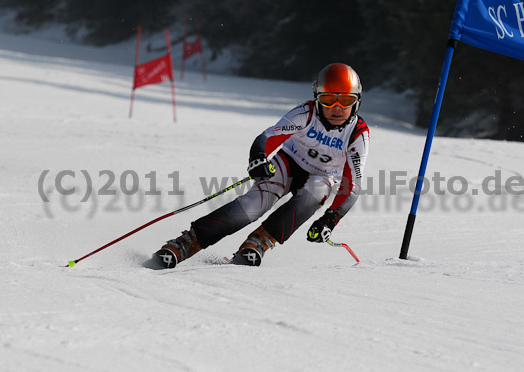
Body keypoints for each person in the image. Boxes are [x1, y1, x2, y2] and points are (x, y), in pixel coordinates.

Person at [154, 63, 370, 268]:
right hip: (288, 163)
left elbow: (352, 185)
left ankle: (259, 241)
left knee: (314, 193)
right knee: (254, 204)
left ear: (357, 101)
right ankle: (186, 242)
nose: (337, 108)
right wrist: (258, 158)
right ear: (317, 98)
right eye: (329, 99)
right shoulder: (306, 112)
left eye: (346, 101)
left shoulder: (358, 134)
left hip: (322, 176)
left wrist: (330, 220)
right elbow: (268, 137)